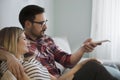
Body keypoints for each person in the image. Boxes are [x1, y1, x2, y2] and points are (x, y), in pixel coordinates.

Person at [0, 5, 118, 80]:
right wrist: (9, 56)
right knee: (93, 67)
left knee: (110, 66)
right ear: (27, 24)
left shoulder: (47, 40)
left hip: (60, 77)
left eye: (45, 21)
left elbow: (67, 60)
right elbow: (5, 47)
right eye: (41, 23)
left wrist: (83, 49)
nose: (46, 26)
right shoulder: (20, 45)